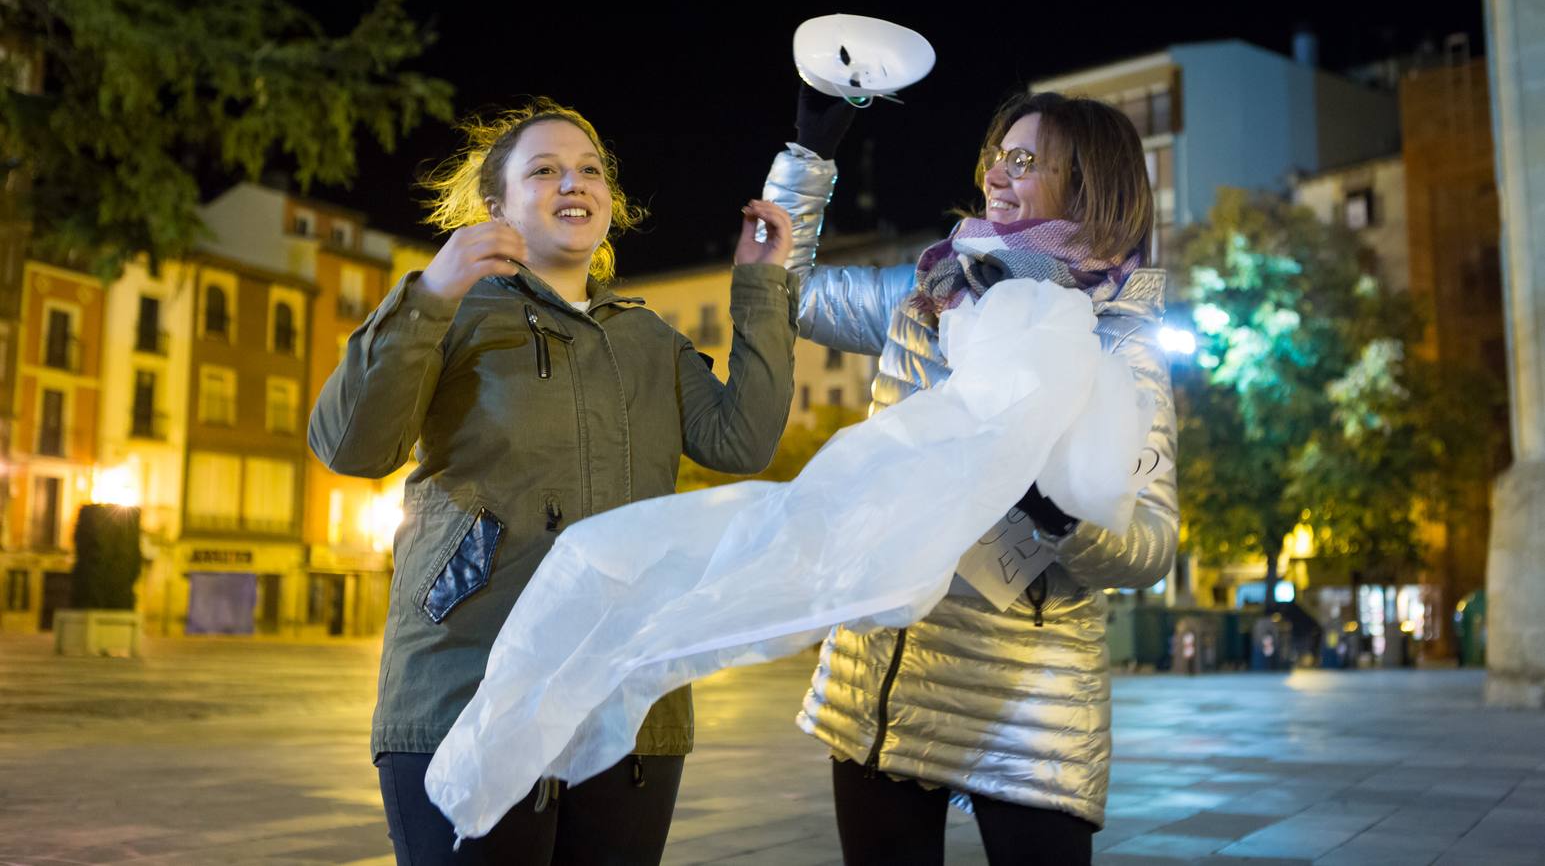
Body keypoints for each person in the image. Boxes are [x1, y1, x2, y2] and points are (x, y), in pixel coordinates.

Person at [309, 97, 799, 865]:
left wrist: (760, 289)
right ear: (495, 204)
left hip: (626, 703)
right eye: (544, 170)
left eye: (590, 169)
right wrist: (427, 297)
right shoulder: (451, 310)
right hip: (467, 689)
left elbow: (742, 442)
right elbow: (350, 447)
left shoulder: (649, 338)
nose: (574, 182)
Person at [761, 86, 1179, 865]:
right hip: (878, 680)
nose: (997, 172)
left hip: (1030, 711)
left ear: (1087, 185)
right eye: (996, 154)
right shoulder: (927, 293)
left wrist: (1059, 514)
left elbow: (1152, 546)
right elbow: (778, 292)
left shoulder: (1118, 343)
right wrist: (809, 157)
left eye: (1025, 161)